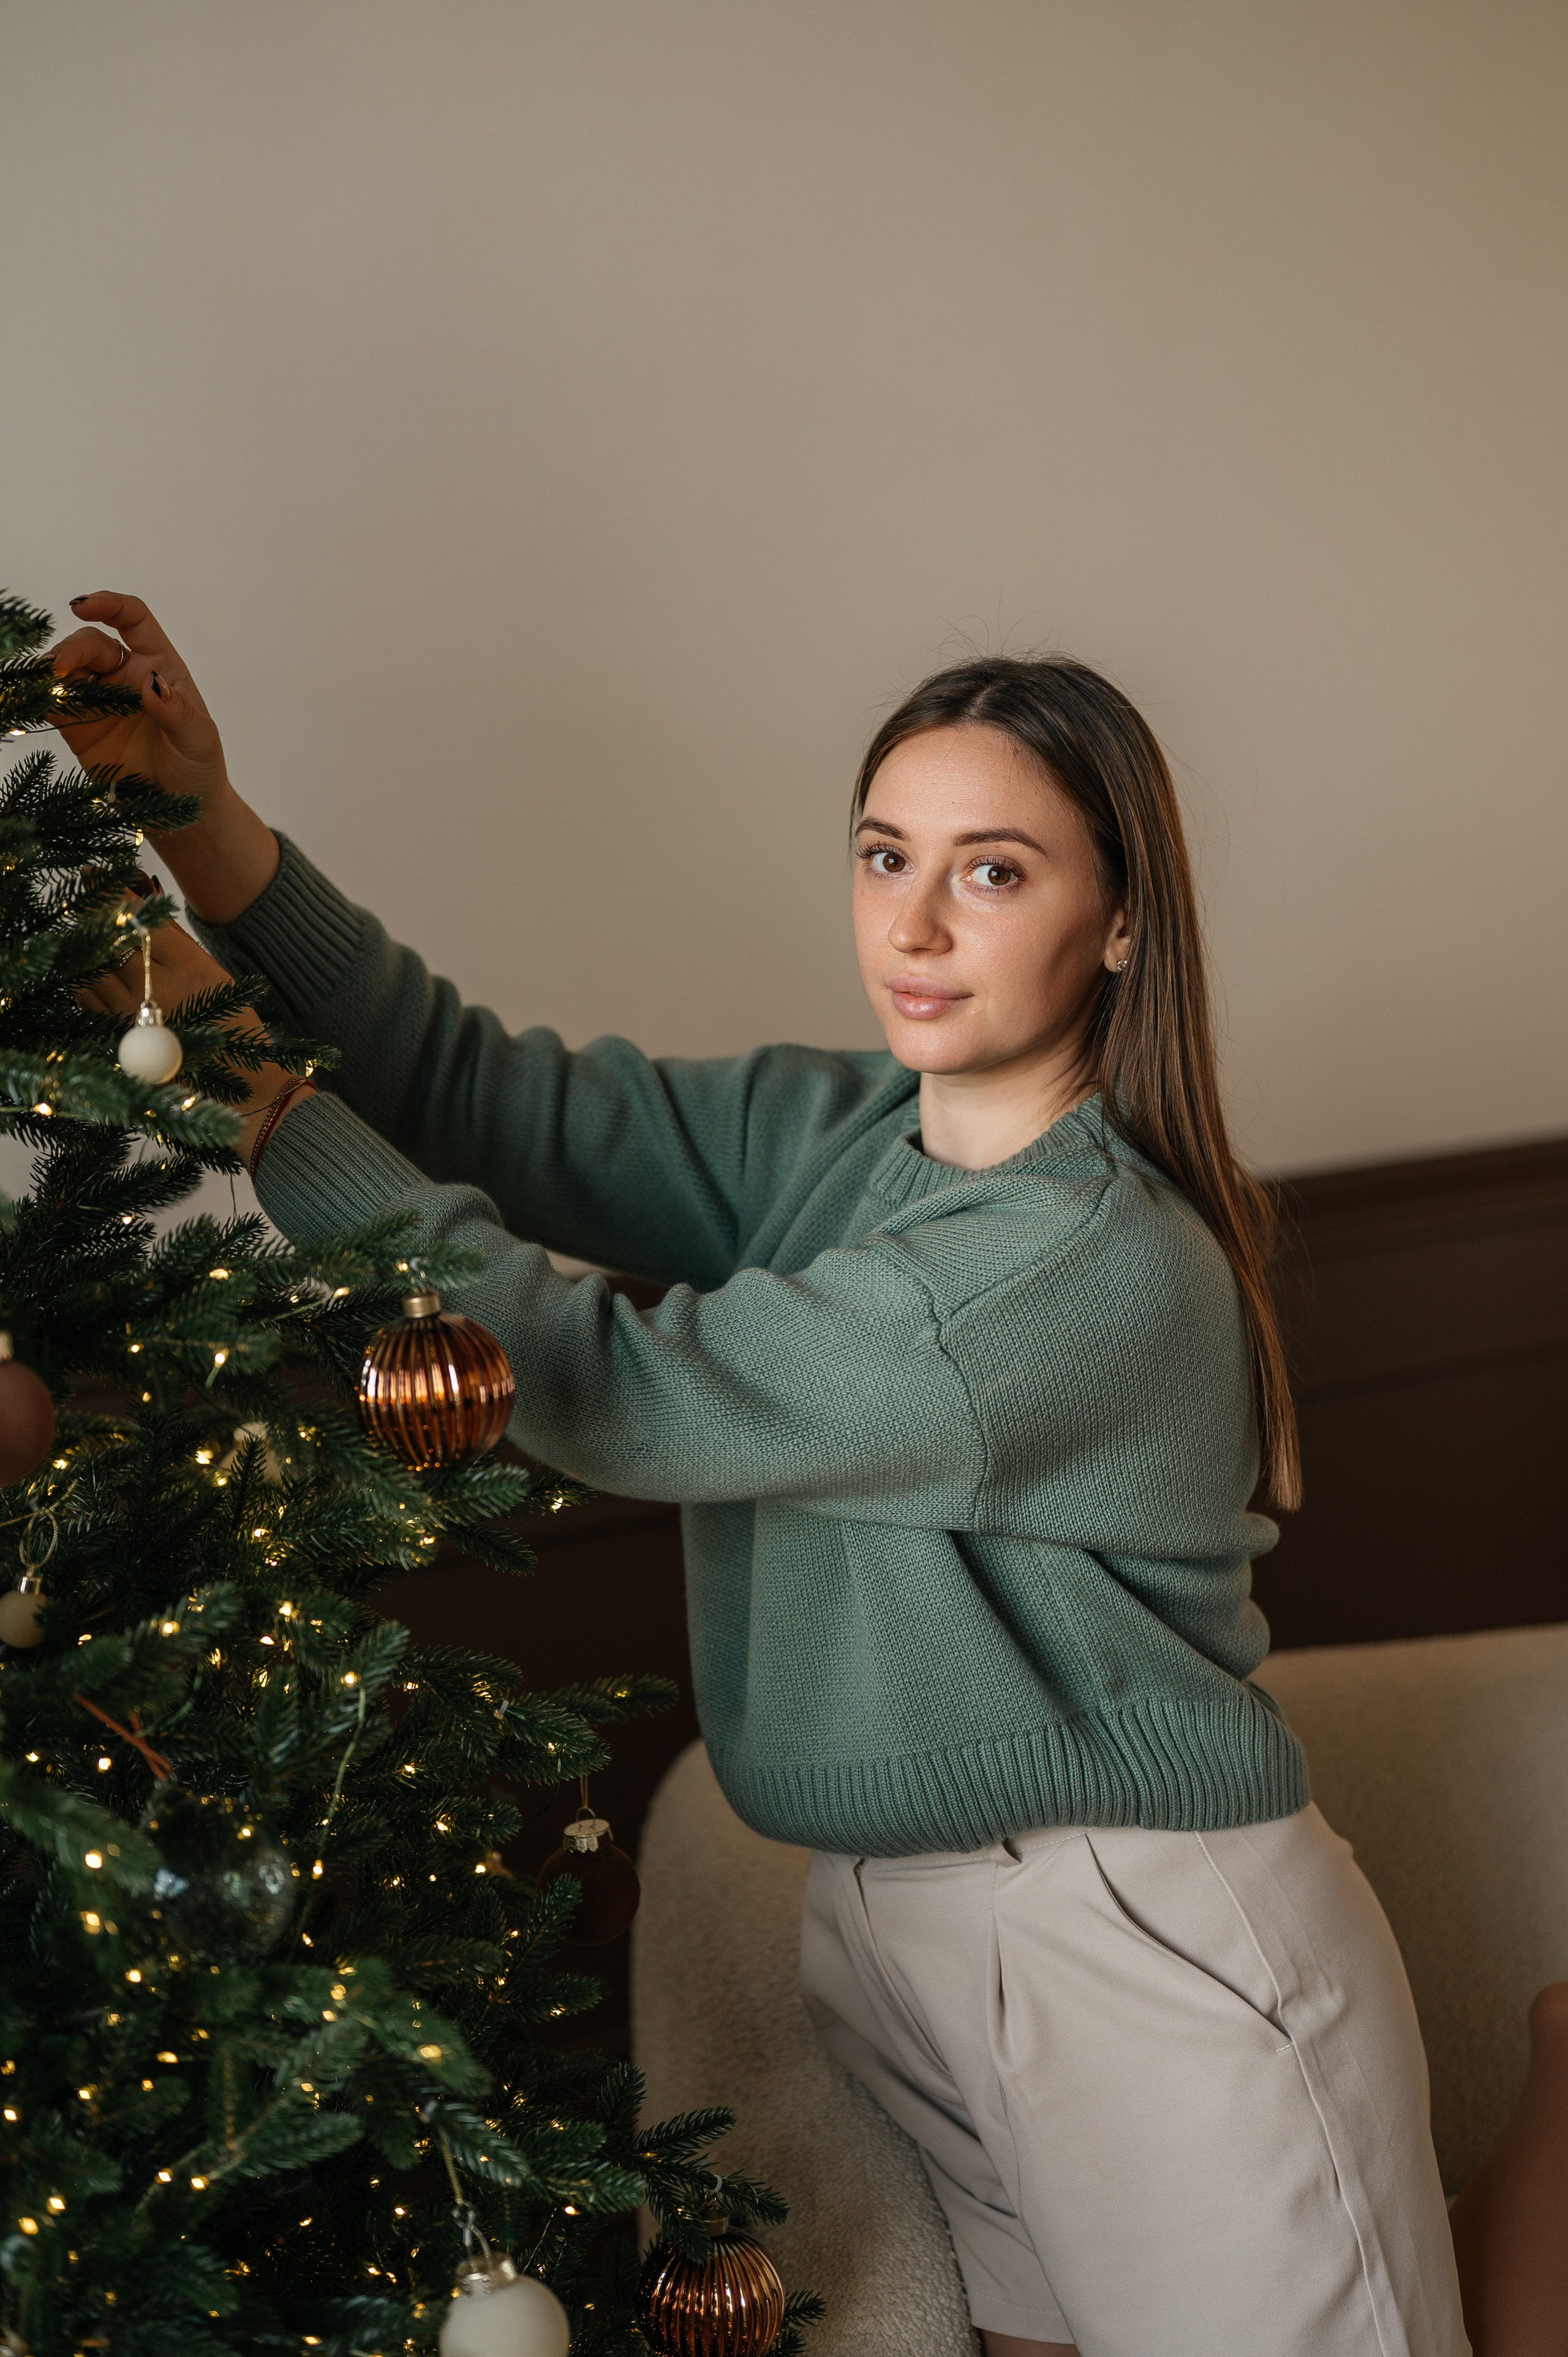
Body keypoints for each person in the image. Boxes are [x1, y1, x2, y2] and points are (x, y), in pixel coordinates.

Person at [51, 591, 1513, 2357]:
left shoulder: (1074, 1261)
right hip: (892, 1914)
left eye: (993, 871)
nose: (911, 920)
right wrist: (206, 821)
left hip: (1131, 1933)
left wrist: (248, 1093)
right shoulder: (843, 1132)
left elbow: (608, 1392)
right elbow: (479, 1095)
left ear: (1120, 921)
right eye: (886, 853)